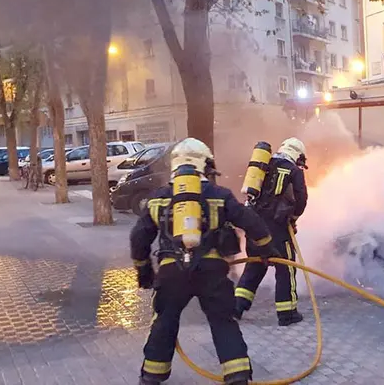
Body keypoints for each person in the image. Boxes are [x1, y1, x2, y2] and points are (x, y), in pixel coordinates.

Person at [130, 138, 275, 385]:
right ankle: (237, 375)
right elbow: (251, 222)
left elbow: (139, 237)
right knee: (222, 322)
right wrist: (265, 249)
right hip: (212, 273)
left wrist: (144, 271)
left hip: (171, 272)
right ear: (204, 165)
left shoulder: (159, 198)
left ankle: (151, 376)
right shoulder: (220, 195)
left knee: (164, 322)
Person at [234, 137, 309, 326]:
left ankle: (237, 307)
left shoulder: (263, 164)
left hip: (254, 225)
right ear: (297, 155)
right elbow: (301, 200)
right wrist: (293, 218)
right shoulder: (294, 170)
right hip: (277, 228)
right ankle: (287, 314)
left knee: (254, 266)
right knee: (286, 267)